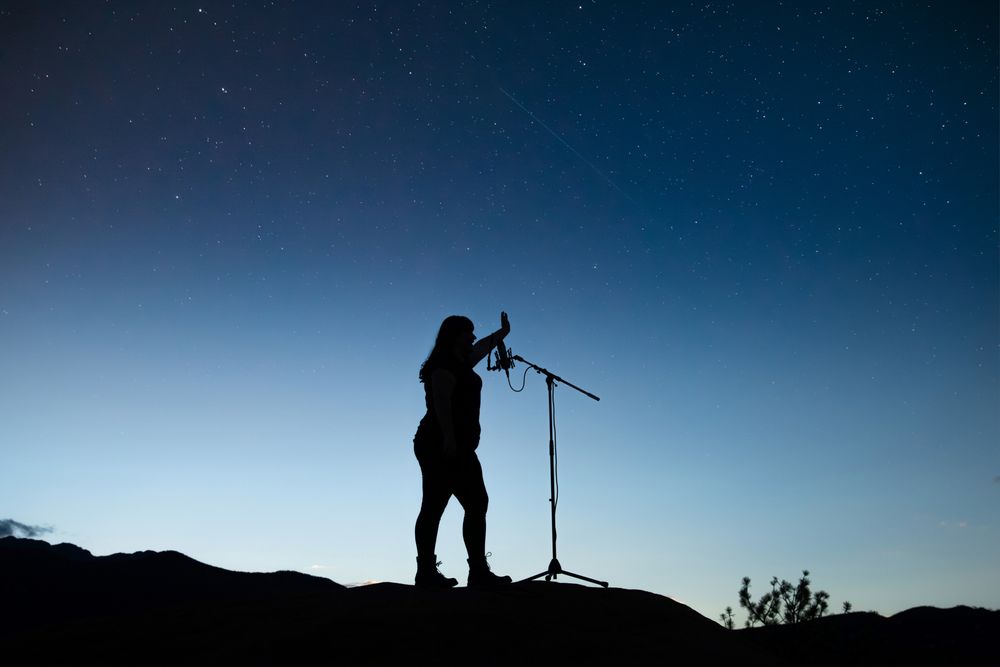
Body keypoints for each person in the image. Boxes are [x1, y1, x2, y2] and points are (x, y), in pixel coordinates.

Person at [413, 312, 513, 588]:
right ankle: (427, 573)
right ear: (454, 336)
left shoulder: (461, 361)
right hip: (439, 443)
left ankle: (477, 571)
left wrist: (503, 333)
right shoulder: (443, 364)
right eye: (467, 332)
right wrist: (449, 439)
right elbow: (442, 401)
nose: (472, 337)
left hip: (459, 445)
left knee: (476, 503)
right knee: (435, 506)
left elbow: (482, 346)